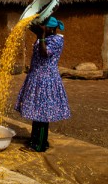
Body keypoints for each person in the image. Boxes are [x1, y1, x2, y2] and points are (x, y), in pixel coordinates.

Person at [15, 16, 71, 152]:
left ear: (51, 29)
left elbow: (45, 53)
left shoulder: (56, 40)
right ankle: (36, 140)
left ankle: (39, 145)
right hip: (37, 78)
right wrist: (32, 26)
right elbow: (33, 30)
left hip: (46, 81)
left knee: (42, 114)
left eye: (44, 26)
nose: (42, 28)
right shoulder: (46, 37)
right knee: (37, 112)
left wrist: (41, 36)